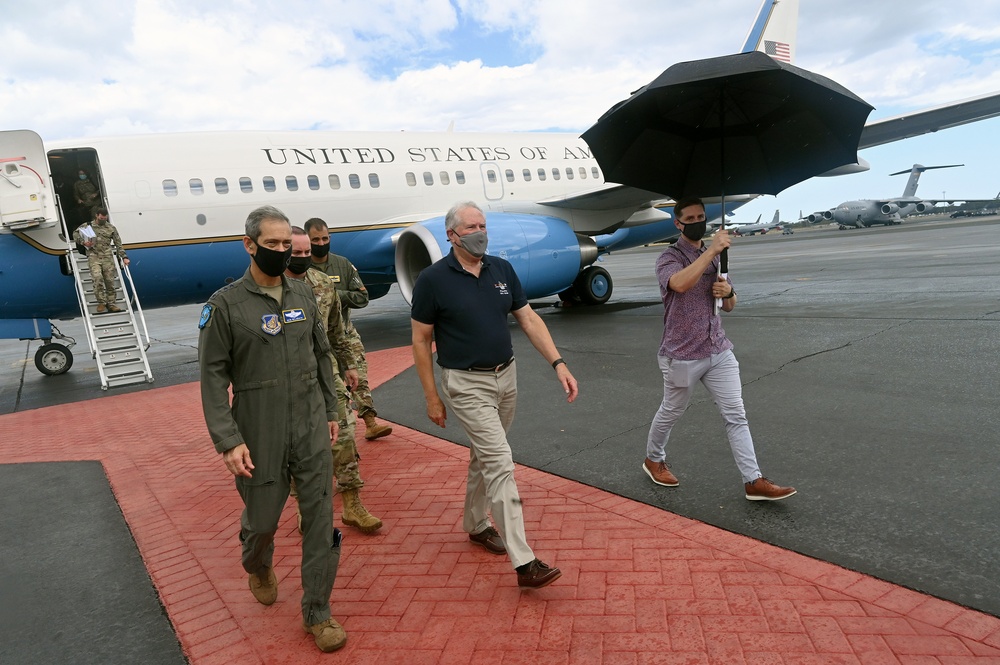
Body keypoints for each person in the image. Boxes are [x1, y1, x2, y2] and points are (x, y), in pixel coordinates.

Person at [198, 205, 347, 652]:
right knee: (262, 521)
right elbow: (211, 377)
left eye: (287, 244)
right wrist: (228, 440)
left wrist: (333, 408)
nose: (282, 252)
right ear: (249, 245)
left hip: (309, 423)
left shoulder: (303, 296)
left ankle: (318, 612)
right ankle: (258, 562)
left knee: (320, 518)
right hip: (258, 426)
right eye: (273, 245)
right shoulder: (224, 306)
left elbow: (323, 355)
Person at [410, 201, 578, 589]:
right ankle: (525, 562)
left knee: (484, 454)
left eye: (483, 225)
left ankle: (475, 523)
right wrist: (431, 396)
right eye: (471, 226)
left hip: (507, 377)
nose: (480, 232)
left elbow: (529, 317)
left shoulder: (501, 269)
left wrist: (559, 364)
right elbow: (420, 340)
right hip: (466, 384)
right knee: (501, 463)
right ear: (452, 235)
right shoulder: (433, 280)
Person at [644, 196, 796, 501]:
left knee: (736, 414)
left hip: (718, 349)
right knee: (672, 410)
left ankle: (753, 480)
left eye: (701, 215)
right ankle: (653, 459)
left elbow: (728, 306)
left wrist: (729, 291)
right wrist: (712, 250)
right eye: (691, 218)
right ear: (678, 223)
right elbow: (680, 284)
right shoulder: (669, 258)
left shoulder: (715, 257)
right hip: (682, 352)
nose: (698, 221)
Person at [285, 226, 383, 535]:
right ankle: (306, 506)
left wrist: (349, 366)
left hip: (327, 373)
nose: (302, 258)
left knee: (344, 437)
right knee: (299, 446)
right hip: (288, 378)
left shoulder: (324, 284)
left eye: (305, 253)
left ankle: (352, 504)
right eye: (296, 253)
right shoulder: (271, 289)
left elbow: (338, 331)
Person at [305, 217, 393, 440]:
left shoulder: (342, 264)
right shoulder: (301, 268)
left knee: (359, 377)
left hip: (344, 331)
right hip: (315, 337)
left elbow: (362, 296)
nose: (321, 242)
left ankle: (370, 422)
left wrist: (332, 295)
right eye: (315, 239)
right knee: (328, 384)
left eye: (325, 238)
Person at [72, 207, 129, 314]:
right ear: (97, 216)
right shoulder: (88, 226)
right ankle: (101, 302)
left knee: (109, 281)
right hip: (94, 256)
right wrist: (83, 242)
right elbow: (75, 234)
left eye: (105, 218)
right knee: (97, 278)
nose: (103, 219)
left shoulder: (111, 228)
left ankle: (111, 303)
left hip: (107, 257)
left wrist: (124, 257)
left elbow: (118, 243)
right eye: (101, 218)